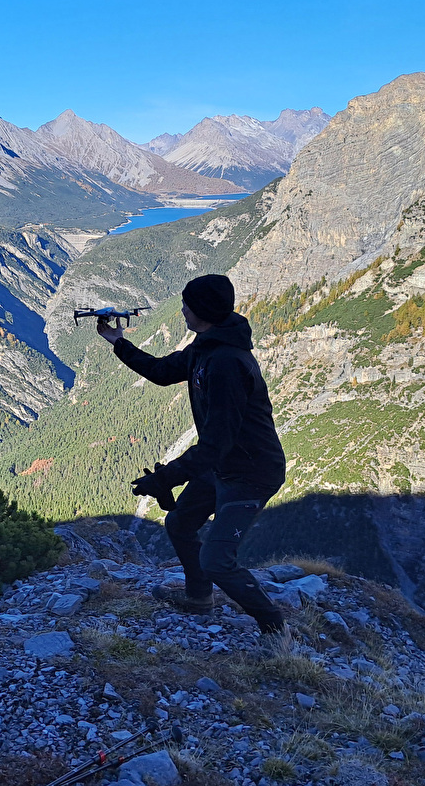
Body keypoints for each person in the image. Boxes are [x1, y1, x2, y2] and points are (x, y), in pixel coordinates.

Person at [96, 274, 289, 640]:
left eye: (186, 304)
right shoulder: (206, 346)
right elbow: (161, 372)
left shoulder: (228, 363)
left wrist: (166, 477)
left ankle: (276, 630)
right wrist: (118, 343)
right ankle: (199, 599)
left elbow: (216, 444)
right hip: (223, 466)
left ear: (201, 310)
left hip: (250, 473)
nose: (181, 309)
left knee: (217, 560)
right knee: (181, 523)